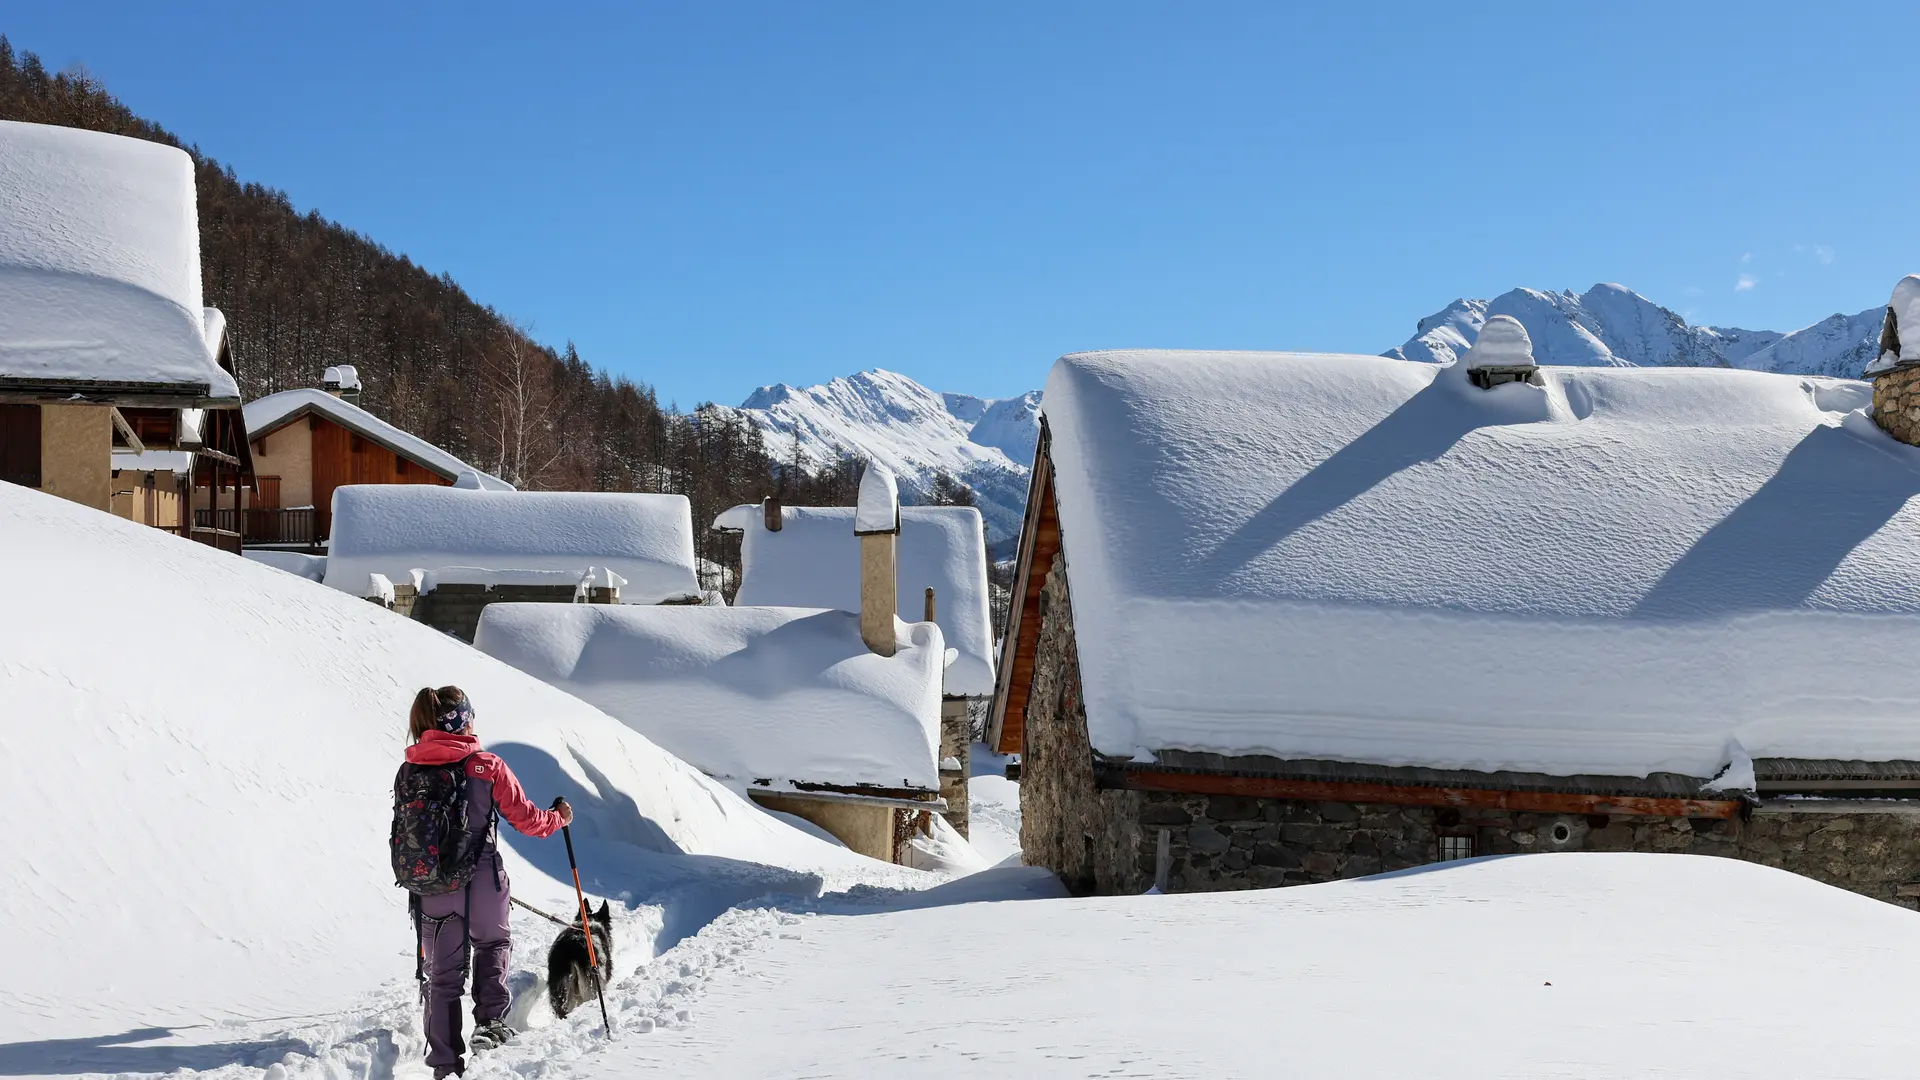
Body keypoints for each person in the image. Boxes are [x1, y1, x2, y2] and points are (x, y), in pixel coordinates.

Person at [401, 685, 572, 1079]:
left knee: (442, 977)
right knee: (492, 944)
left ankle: (444, 1064)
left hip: (431, 887)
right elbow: (528, 820)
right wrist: (560, 817)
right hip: (482, 879)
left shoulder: (410, 768)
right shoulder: (486, 766)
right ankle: (490, 1023)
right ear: (463, 720)